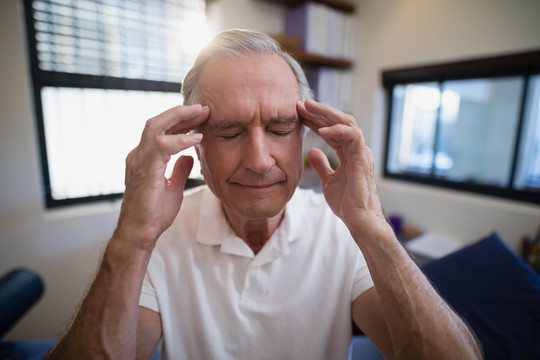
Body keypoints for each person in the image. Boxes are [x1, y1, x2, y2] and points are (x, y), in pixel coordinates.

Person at [47, 29, 481, 359]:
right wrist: (130, 241)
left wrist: (374, 229)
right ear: (196, 145)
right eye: (229, 131)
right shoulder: (160, 237)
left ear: (305, 136)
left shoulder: (343, 232)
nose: (259, 159)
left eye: (279, 128)